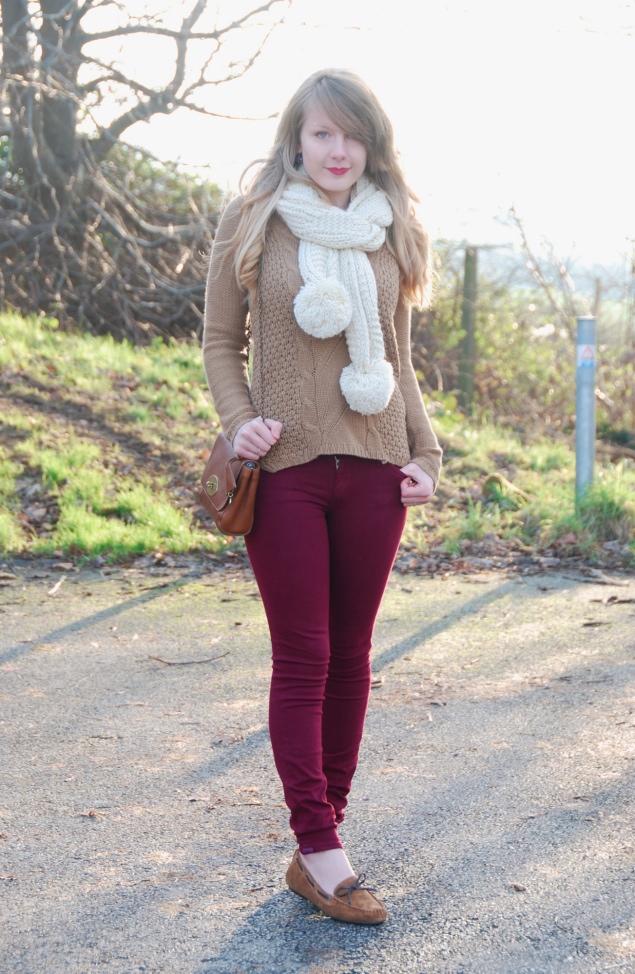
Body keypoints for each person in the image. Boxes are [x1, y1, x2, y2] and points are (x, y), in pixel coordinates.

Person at [202, 68, 442, 925]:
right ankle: (321, 844)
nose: (337, 150)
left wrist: (426, 454)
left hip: (375, 470)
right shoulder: (254, 220)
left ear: (370, 145)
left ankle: (319, 844)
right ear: (295, 140)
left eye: (352, 135)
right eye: (321, 134)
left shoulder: (392, 231)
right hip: (289, 470)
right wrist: (241, 426)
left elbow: (401, 360)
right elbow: (221, 343)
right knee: (304, 655)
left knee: (351, 658)